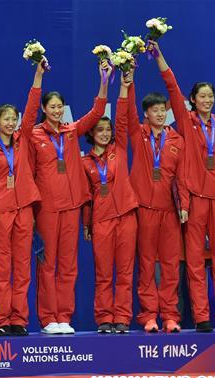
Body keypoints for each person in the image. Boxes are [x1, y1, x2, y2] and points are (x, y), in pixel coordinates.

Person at [151, 40, 215, 332]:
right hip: (194, 201)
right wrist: (160, 57)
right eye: (202, 96)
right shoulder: (185, 124)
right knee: (195, 264)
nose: (208, 100)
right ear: (192, 100)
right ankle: (201, 316)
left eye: (211, 96)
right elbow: (172, 88)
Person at [30, 60, 110, 334]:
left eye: (59, 106)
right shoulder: (34, 134)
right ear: (43, 109)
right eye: (51, 106)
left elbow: (98, 111)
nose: (56, 110)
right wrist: (38, 76)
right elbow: (28, 117)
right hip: (47, 209)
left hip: (71, 207)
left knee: (69, 265)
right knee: (47, 264)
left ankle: (64, 316)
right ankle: (47, 318)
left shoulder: (72, 131)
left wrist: (104, 80)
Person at [0, 59, 44, 337]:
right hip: (1, 213)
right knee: (2, 269)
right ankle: (2, 320)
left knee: (23, 268)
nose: (11, 123)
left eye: (13, 119)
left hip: (24, 209)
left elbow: (31, 110)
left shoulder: (24, 139)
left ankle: (19, 319)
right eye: (6, 119)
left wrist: (38, 75)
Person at [128, 50, 187, 333]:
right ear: (146, 114)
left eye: (164, 109)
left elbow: (183, 176)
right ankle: (149, 315)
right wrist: (129, 77)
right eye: (155, 110)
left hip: (170, 212)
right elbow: (125, 111)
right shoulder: (137, 136)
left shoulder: (177, 138)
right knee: (147, 266)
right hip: (144, 210)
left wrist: (184, 204)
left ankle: (171, 316)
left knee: (171, 266)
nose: (161, 113)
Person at [81, 68, 139, 334]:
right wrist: (87, 225)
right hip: (101, 221)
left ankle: (122, 319)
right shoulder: (84, 162)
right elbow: (86, 198)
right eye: (99, 129)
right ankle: (104, 318)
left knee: (125, 273)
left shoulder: (120, 150)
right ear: (91, 134)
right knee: (104, 274)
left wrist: (125, 86)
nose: (105, 133)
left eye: (108, 129)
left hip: (126, 216)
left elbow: (124, 116)